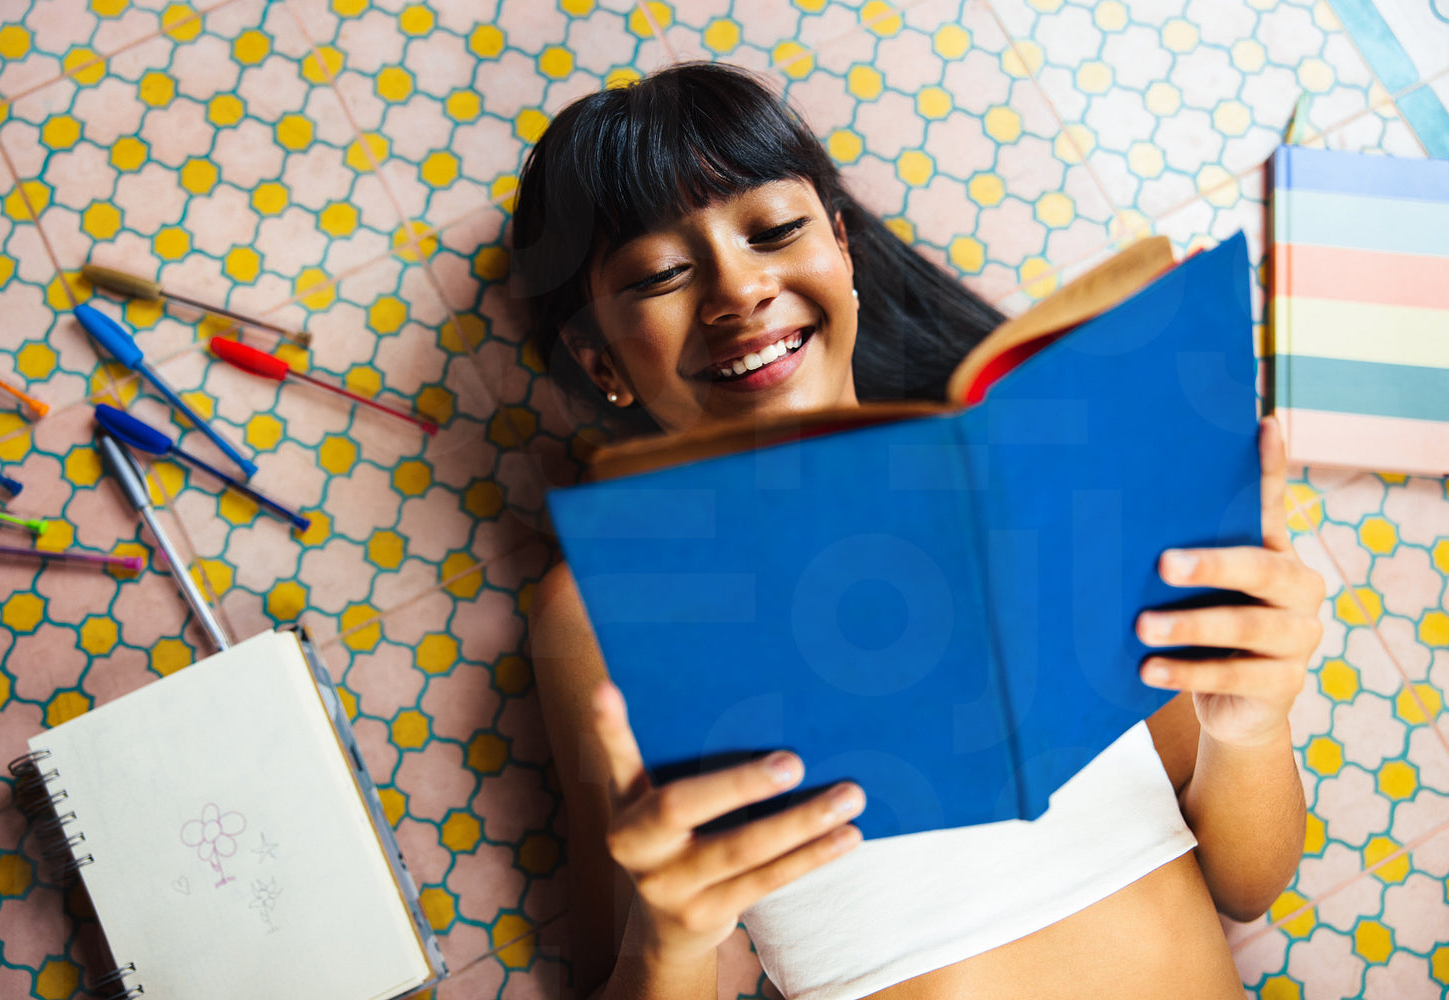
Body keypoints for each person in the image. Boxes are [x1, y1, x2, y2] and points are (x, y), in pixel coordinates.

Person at [515, 62, 1324, 1000]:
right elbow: (612, 972)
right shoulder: (608, 602)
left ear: (843, 249)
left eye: (775, 231)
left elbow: (1245, 885)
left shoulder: (1055, 478)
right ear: (600, 365)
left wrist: (1253, 727)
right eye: (661, 275)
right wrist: (675, 940)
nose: (740, 290)